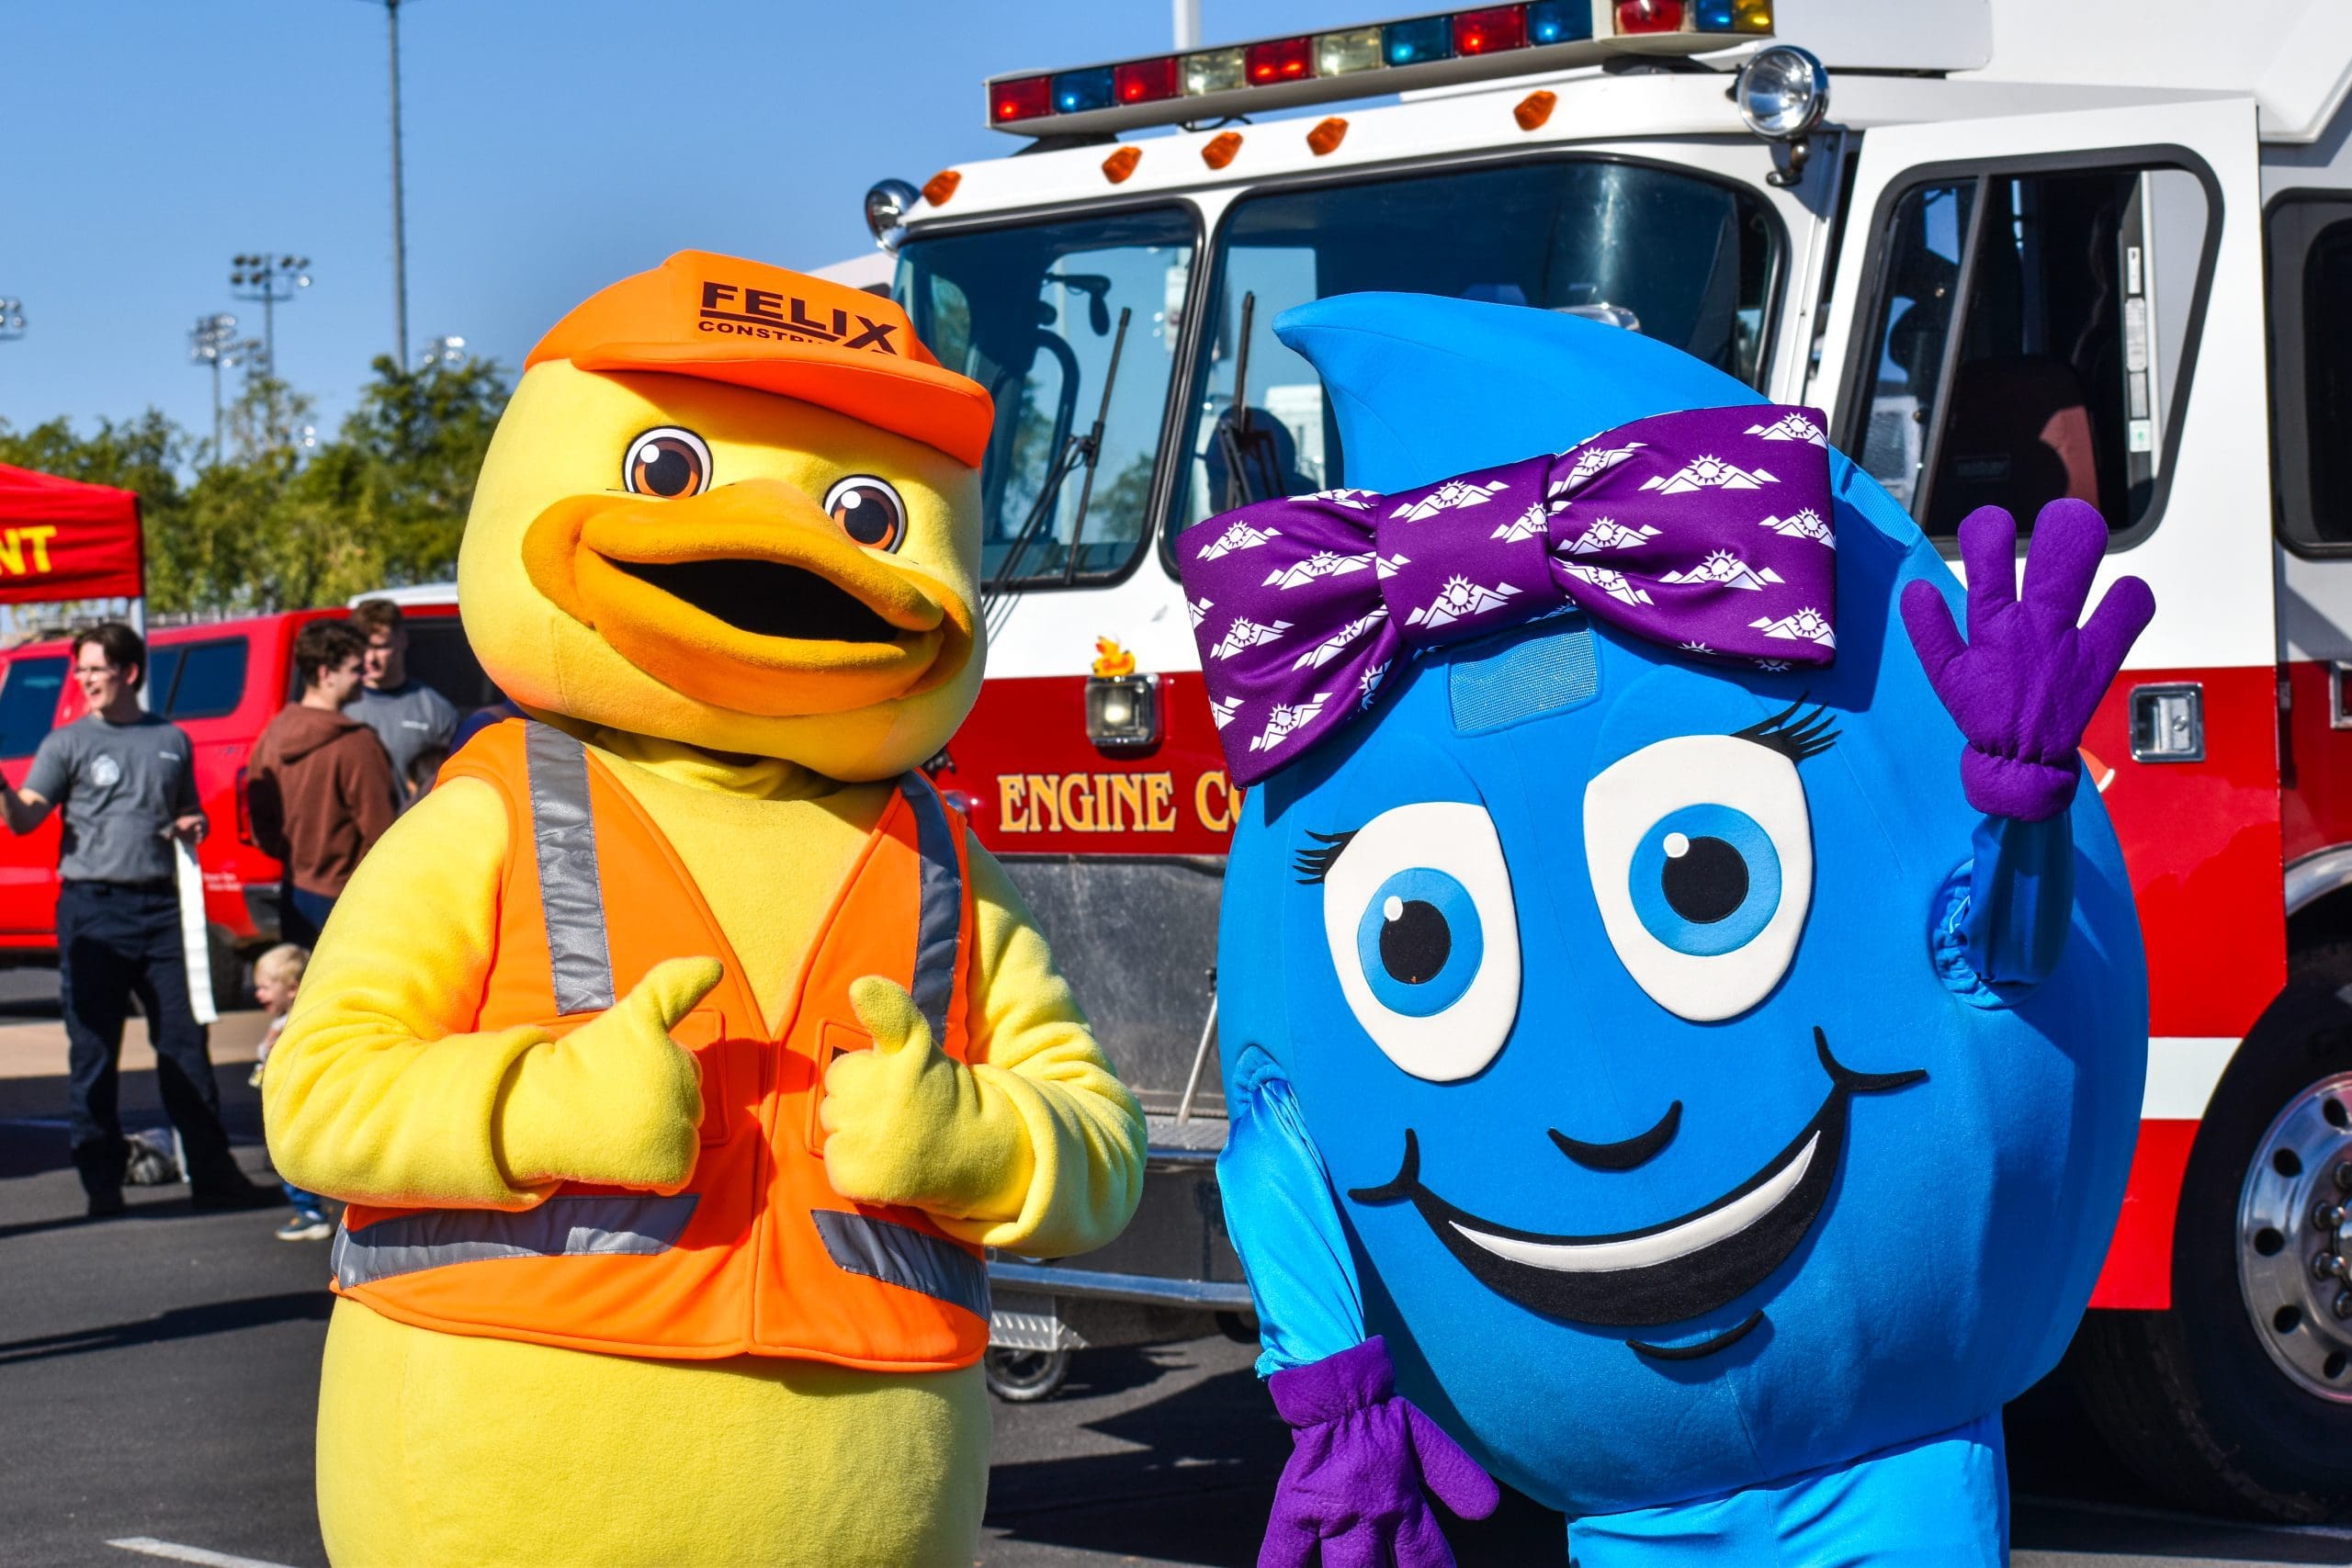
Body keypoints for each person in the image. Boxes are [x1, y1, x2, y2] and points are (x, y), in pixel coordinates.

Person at [3, 621, 269, 1216]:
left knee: (185, 1044)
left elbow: (188, 810)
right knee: (93, 1050)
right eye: (82, 670)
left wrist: (192, 824)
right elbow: (24, 819)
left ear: (128, 672)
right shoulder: (65, 743)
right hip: (93, 909)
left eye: (96, 669)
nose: (85, 680)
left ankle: (212, 1172)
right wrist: (3, 785)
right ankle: (101, 1184)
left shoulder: (170, 739)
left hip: (161, 908)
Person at [245, 621, 398, 950]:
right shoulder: (357, 744)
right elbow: (384, 834)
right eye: (356, 669)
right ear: (326, 674)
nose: (366, 675)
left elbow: (259, 821)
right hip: (350, 898)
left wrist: (294, 859)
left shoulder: (273, 735)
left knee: (305, 994)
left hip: (295, 891)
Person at [249, 942, 330, 1241]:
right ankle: (312, 1210)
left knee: (292, 1159)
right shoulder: (289, 1021)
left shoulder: (290, 1025)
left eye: (265, 988)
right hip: (289, 1103)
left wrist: (269, 1045)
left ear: (292, 988)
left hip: (293, 1106)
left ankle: (310, 1212)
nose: (259, 994)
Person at [349, 600, 458, 795]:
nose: (370, 658)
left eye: (380, 647)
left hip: (413, 824)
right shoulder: (341, 708)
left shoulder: (435, 710)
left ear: (402, 640)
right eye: (363, 647)